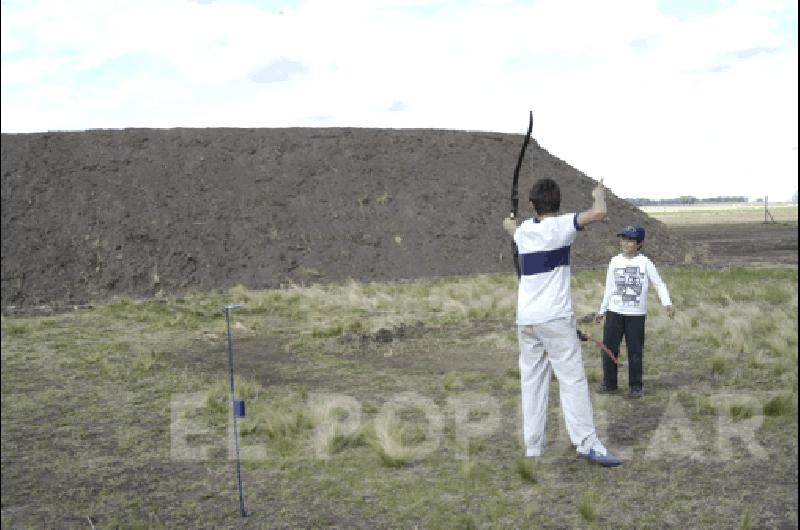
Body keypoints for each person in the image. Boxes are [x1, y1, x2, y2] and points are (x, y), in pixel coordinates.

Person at [503, 177, 622, 467]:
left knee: (532, 382)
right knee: (572, 381)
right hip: (554, 319)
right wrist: (598, 195)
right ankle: (587, 443)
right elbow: (599, 213)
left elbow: (511, 228)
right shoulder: (561, 226)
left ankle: (533, 446)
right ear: (558, 203)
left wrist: (510, 222)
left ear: (532, 205)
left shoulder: (523, 231)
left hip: (526, 321)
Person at [594, 224, 674, 398]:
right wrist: (602, 310)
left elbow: (659, 284)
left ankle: (635, 386)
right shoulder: (614, 261)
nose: (626, 243)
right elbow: (609, 288)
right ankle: (609, 383)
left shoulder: (645, 263)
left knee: (635, 351)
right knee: (609, 349)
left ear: (639, 243)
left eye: (630, 240)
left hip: (636, 315)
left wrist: (666, 303)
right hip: (615, 312)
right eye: (624, 239)